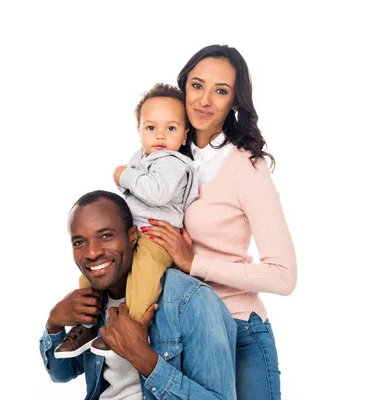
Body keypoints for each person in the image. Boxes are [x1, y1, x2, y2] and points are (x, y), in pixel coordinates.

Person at [144, 45, 297, 400]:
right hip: (177, 331)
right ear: (183, 88)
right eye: (197, 86)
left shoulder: (246, 166)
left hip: (239, 327)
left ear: (235, 103)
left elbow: (284, 276)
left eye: (221, 91)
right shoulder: (165, 151)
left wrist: (194, 263)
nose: (205, 100)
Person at [39, 190, 237, 400]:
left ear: (132, 236)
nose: (92, 252)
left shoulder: (190, 299)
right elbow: (62, 373)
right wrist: (54, 324)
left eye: (106, 236)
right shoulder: (92, 301)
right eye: (79, 242)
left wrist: (145, 360)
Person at [53, 84, 198, 358]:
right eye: (151, 128)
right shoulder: (142, 157)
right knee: (93, 274)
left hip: (156, 238)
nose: (160, 136)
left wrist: (124, 177)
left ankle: (128, 326)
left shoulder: (173, 162)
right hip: (133, 234)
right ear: (139, 130)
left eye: (171, 128)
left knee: (144, 275)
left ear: (184, 135)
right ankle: (86, 325)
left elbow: (157, 193)